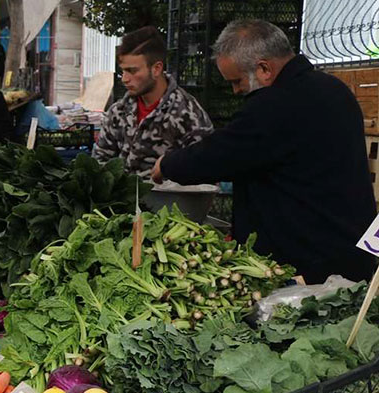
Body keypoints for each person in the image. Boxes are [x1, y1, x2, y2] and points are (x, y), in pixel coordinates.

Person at [153, 20, 376, 284]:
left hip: (310, 268)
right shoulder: (333, 89)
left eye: (236, 81)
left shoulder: (276, 105)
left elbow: (220, 154)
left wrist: (167, 164)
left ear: (264, 69)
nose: (236, 91)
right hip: (347, 254)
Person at [93, 27, 213, 176]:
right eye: (123, 71)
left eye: (132, 71)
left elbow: (204, 172)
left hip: (168, 198)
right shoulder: (118, 112)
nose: (124, 79)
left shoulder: (188, 114)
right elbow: (100, 164)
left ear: (156, 69)